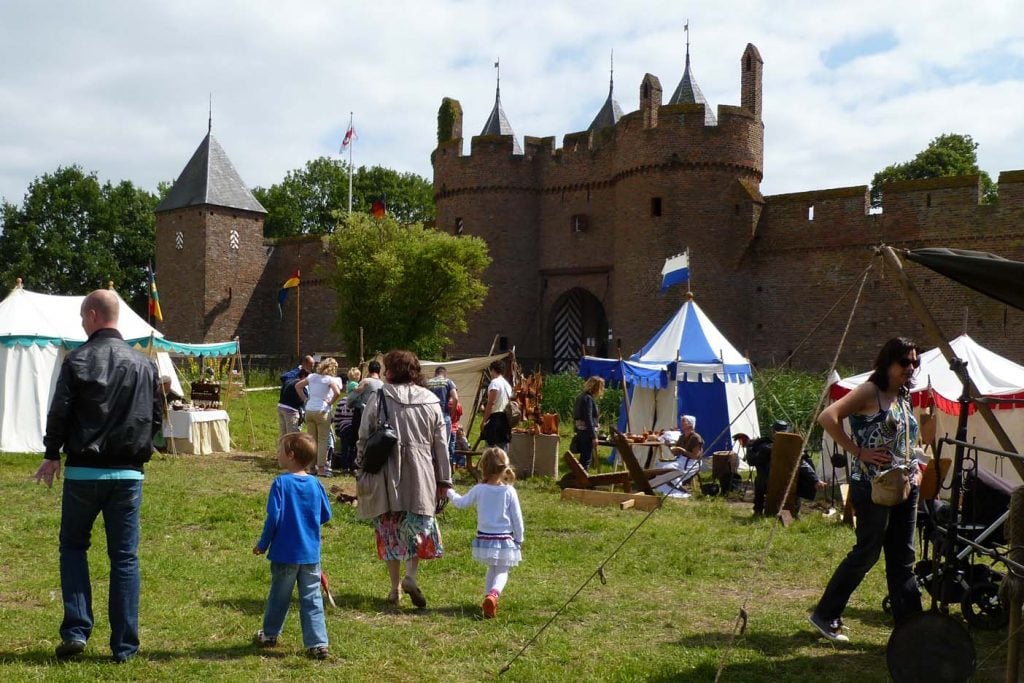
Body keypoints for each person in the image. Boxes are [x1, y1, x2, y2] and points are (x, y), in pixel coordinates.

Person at [34, 289, 162, 663]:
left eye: (80, 316)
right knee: (124, 558)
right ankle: (124, 646)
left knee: (74, 548)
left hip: (84, 472)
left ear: (92, 315)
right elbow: (155, 418)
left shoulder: (77, 361)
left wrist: (51, 454)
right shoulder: (145, 365)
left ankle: (77, 629)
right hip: (128, 474)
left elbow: (60, 412)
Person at [809, 337, 923, 643]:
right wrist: (858, 451)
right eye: (904, 362)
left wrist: (917, 469)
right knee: (867, 553)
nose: (910, 368)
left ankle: (911, 628)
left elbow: (910, 437)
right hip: (872, 486)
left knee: (903, 557)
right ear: (887, 362)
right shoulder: (870, 391)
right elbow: (827, 417)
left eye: (915, 362)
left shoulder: (903, 395)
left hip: (904, 485)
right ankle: (825, 614)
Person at [356, 350, 452, 609]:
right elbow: (442, 445)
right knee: (417, 526)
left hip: (386, 472)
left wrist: (360, 468)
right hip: (422, 472)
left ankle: (395, 588)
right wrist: (444, 480)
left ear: (390, 371)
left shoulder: (379, 397)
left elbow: (364, 436)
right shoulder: (432, 400)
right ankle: (411, 577)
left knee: (390, 527)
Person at [253, 432, 332, 660]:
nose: (278, 454)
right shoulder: (316, 484)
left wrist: (263, 544)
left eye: (280, 450)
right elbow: (326, 514)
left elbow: (273, 519)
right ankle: (317, 643)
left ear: (290, 455)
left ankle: (269, 635)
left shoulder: (280, 483)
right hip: (310, 554)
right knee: (312, 597)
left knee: (279, 595)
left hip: (284, 553)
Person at [446, 447, 524, 619]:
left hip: (485, 537)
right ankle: (493, 595)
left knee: (492, 568)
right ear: (505, 467)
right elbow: (517, 518)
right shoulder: (509, 491)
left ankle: (487, 600)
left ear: (483, 467)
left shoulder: (479, 489)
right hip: (504, 538)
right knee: (502, 571)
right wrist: (519, 538)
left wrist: (449, 492)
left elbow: (461, 503)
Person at [295, 358, 344, 477]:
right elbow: (337, 392)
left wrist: (305, 399)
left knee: (312, 440)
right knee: (322, 440)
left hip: (310, 410)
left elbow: (298, 386)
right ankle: (321, 469)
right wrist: (330, 402)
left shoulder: (312, 377)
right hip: (322, 411)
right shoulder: (329, 379)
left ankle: (311, 467)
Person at [746, 421, 789, 515]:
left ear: (773, 431)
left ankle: (758, 509)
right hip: (787, 479)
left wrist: (749, 447)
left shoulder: (767, 447)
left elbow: (752, 461)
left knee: (760, 478)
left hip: (770, 480)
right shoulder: (792, 444)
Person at [426, 366, 460, 465]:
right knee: (444, 445)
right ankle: (443, 473)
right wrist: (452, 413)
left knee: (430, 444)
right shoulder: (448, 382)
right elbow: (455, 398)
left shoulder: (428, 382)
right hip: (443, 416)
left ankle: (431, 470)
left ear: (435, 373)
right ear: (445, 374)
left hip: (430, 416)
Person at [347, 359, 384, 442]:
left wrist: (349, 404)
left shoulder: (366, 381)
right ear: (379, 371)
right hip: (377, 416)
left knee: (358, 440)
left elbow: (351, 397)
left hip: (361, 414)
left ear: (369, 370)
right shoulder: (382, 384)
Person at [573, 376, 604, 470]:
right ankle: (582, 482)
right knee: (586, 459)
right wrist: (594, 436)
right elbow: (588, 418)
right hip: (586, 432)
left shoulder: (581, 397)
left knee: (583, 458)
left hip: (581, 430)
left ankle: (579, 480)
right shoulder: (588, 399)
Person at [481, 360, 513, 450]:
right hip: (506, 419)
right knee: (503, 450)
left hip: (496, 419)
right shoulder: (507, 385)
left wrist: (484, 421)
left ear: (493, 370)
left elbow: (491, 403)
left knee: (492, 451)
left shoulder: (495, 382)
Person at [277, 366, 309, 439]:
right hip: (291, 410)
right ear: (304, 376)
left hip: (281, 407)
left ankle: (282, 450)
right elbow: (303, 400)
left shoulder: (289, 380)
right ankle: (292, 450)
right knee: (293, 435)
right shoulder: (301, 386)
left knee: (283, 433)